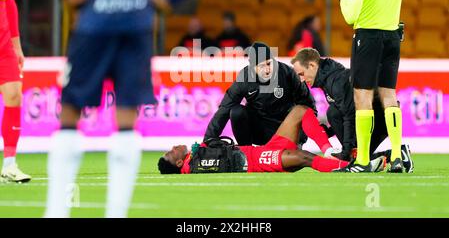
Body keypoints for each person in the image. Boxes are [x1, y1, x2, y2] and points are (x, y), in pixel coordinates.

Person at [31, 0, 222, 217]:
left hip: (93, 25)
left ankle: (56, 212)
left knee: (69, 114)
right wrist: (170, 0)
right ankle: (116, 213)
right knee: (126, 121)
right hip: (137, 26)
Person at [339, 0, 404, 173]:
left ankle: (363, 160)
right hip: (392, 36)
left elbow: (350, 16)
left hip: (367, 39)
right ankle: (397, 156)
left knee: (362, 98)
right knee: (389, 95)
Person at [158, 105, 386, 174]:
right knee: (303, 157)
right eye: (170, 153)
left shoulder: (196, 154)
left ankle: (328, 150)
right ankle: (351, 167)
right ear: (179, 163)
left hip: (261, 149)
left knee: (299, 111)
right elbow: (228, 164)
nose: (172, 148)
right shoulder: (193, 165)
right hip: (257, 160)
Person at [204, 42, 339, 157]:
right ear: (252, 67)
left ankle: (299, 147)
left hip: (287, 129)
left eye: (269, 63)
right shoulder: (244, 79)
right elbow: (224, 109)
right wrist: (207, 140)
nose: (267, 69)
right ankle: (246, 154)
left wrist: (301, 138)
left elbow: (308, 106)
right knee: (236, 111)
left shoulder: (288, 73)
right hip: (261, 130)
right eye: (262, 66)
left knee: (300, 110)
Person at [291, 48, 414, 173]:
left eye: (301, 74)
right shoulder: (331, 78)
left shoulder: (335, 81)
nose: (301, 79)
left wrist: (345, 152)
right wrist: (329, 131)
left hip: (376, 120)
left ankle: (364, 156)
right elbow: (349, 110)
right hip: (379, 119)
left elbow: (348, 116)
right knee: (336, 116)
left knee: (333, 114)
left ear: (312, 65)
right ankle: (396, 153)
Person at [0, 0, 31, 183]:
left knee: (14, 96)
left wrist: (17, 46)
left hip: (4, 46)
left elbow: (10, 5)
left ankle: (9, 164)